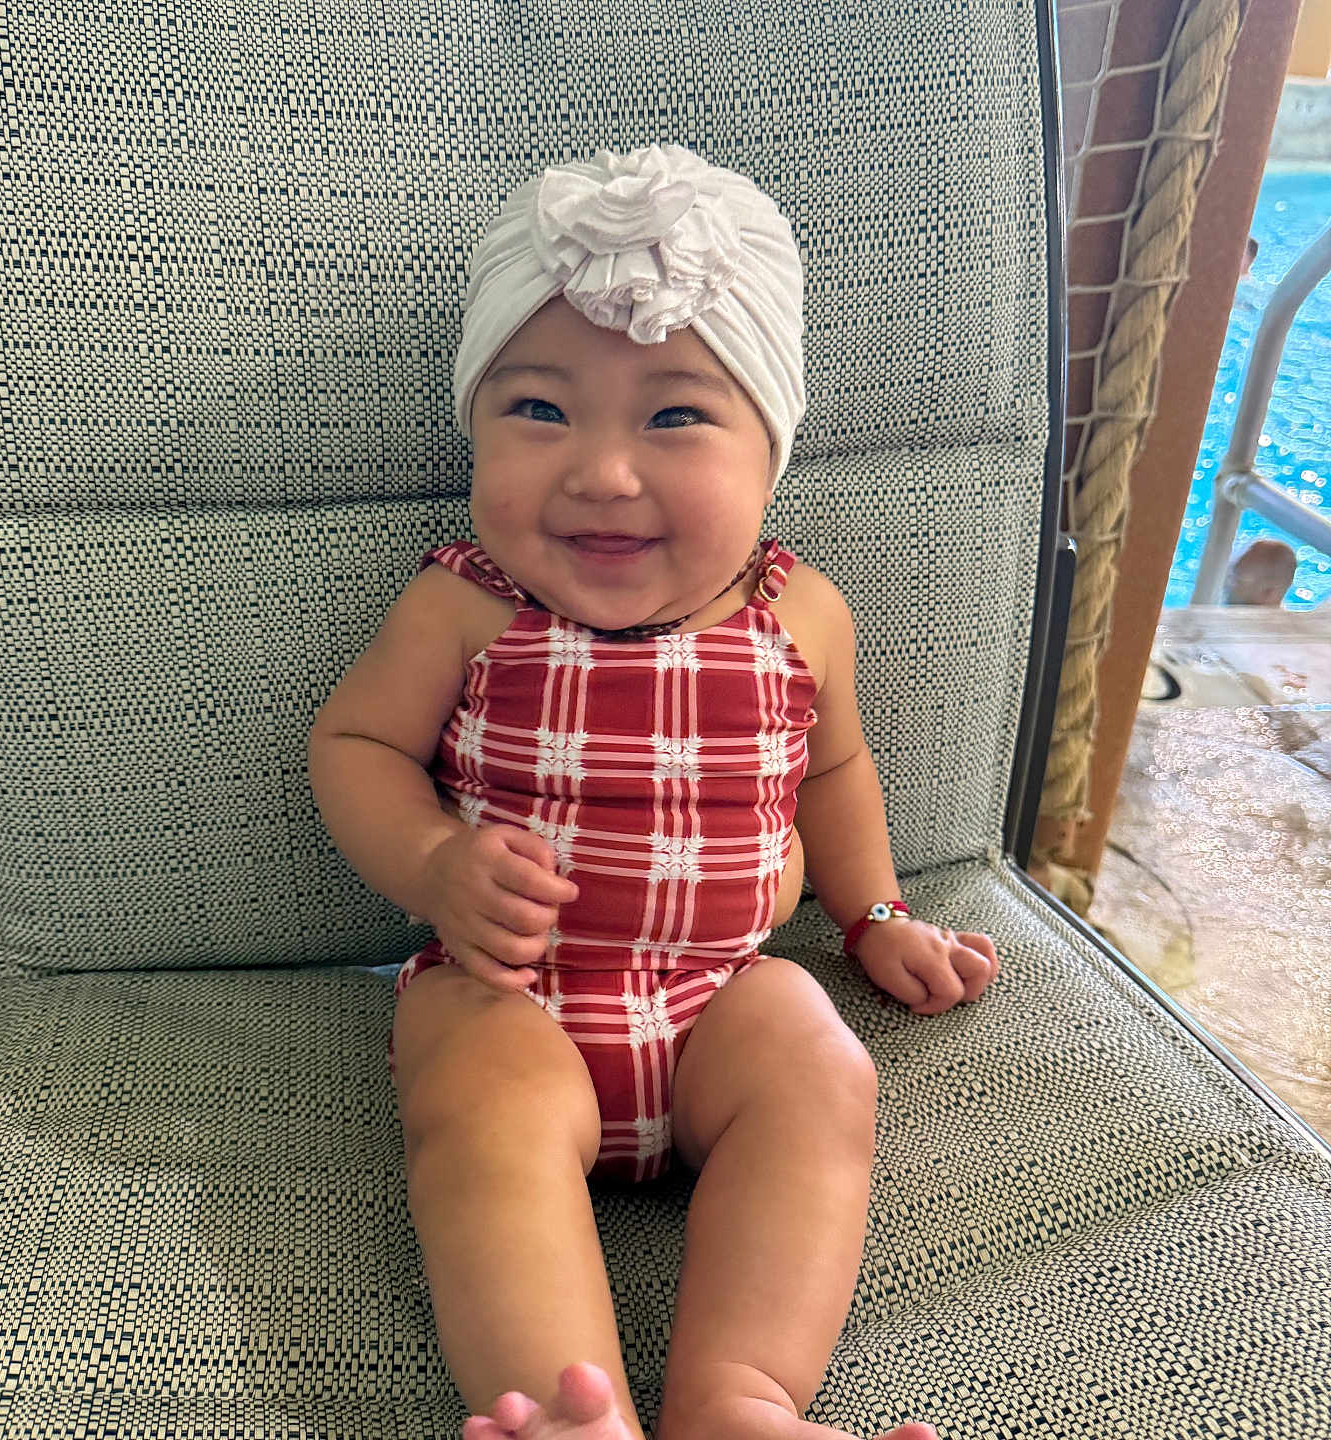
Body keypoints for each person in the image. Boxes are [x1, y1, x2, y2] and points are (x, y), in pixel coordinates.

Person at [309, 144, 1000, 1440]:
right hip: (512, 998)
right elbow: (353, 748)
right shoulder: (463, 606)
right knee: (479, 1107)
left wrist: (876, 915)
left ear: (770, 445)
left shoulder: (802, 615)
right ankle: (569, 1408)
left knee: (820, 1062)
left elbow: (837, 776)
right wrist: (434, 865)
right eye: (538, 411)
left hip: (718, 1004)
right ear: (474, 420)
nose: (603, 472)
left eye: (676, 416)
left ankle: (740, 1400)